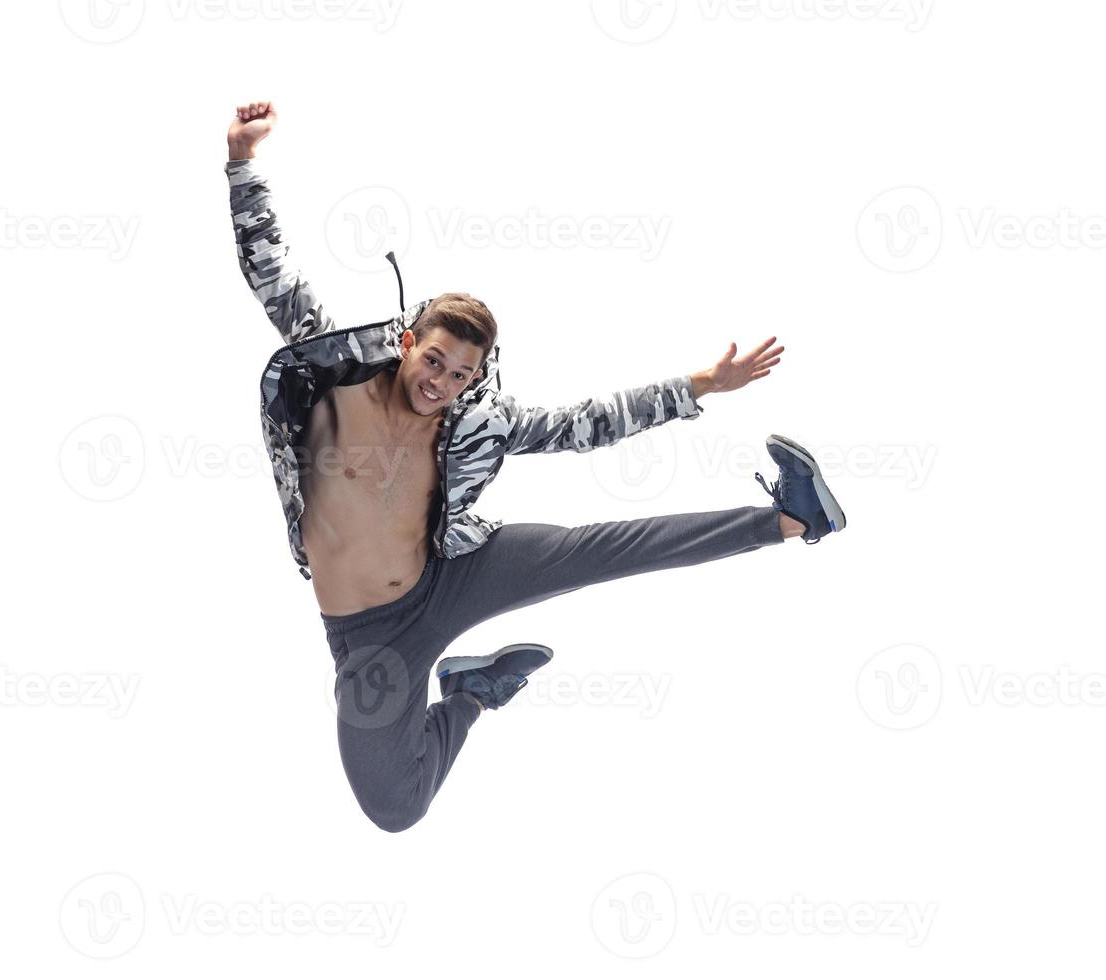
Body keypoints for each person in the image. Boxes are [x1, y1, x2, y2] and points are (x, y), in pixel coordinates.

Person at [226, 100, 847, 833]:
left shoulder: (479, 421)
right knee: (395, 806)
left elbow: (589, 423)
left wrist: (702, 386)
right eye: (433, 361)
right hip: (370, 637)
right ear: (405, 344)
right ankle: (474, 692)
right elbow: (269, 270)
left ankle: (791, 517)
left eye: (460, 374)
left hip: (451, 572)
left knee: (601, 553)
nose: (441, 384)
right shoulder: (330, 377)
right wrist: (241, 162)